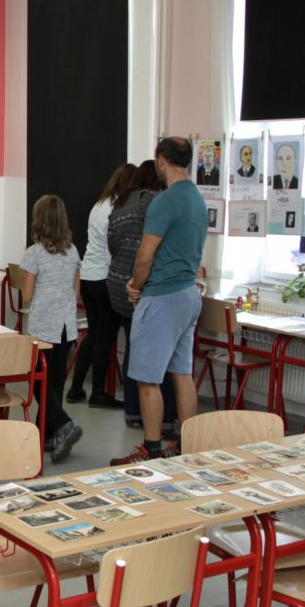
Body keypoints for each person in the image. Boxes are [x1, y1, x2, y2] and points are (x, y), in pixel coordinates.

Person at [113, 137, 205, 464]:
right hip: (189, 294)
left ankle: (150, 450)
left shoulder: (165, 201)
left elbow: (145, 255)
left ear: (161, 160)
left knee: (147, 378)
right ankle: (185, 446)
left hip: (163, 297)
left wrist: (135, 285)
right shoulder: (196, 198)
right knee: (182, 373)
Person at [107, 161, 178, 431]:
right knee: (159, 355)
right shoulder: (156, 202)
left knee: (132, 348)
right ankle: (164, 418)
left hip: (117, 282)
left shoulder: (120, 203)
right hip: (141, 285)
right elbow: (153, 250)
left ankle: (133, 411)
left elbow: (113, 245)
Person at [19, 195, 83, 461]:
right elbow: (76, 290)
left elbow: (27, 294)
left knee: (38, 382)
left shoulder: (34, 253)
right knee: (55, 382)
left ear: (38, 221)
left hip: (43, 329)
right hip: (67, 327)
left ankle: (65, 424)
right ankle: (45, 434)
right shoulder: (73, 250)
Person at [67, 165, 132, 409]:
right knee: (105, 337)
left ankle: (75, 389)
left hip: (88, 276)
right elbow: (112, 249)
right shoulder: (117, 209)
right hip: (104, 278)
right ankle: (98, 393)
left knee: (94, 334)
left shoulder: (100, 204)